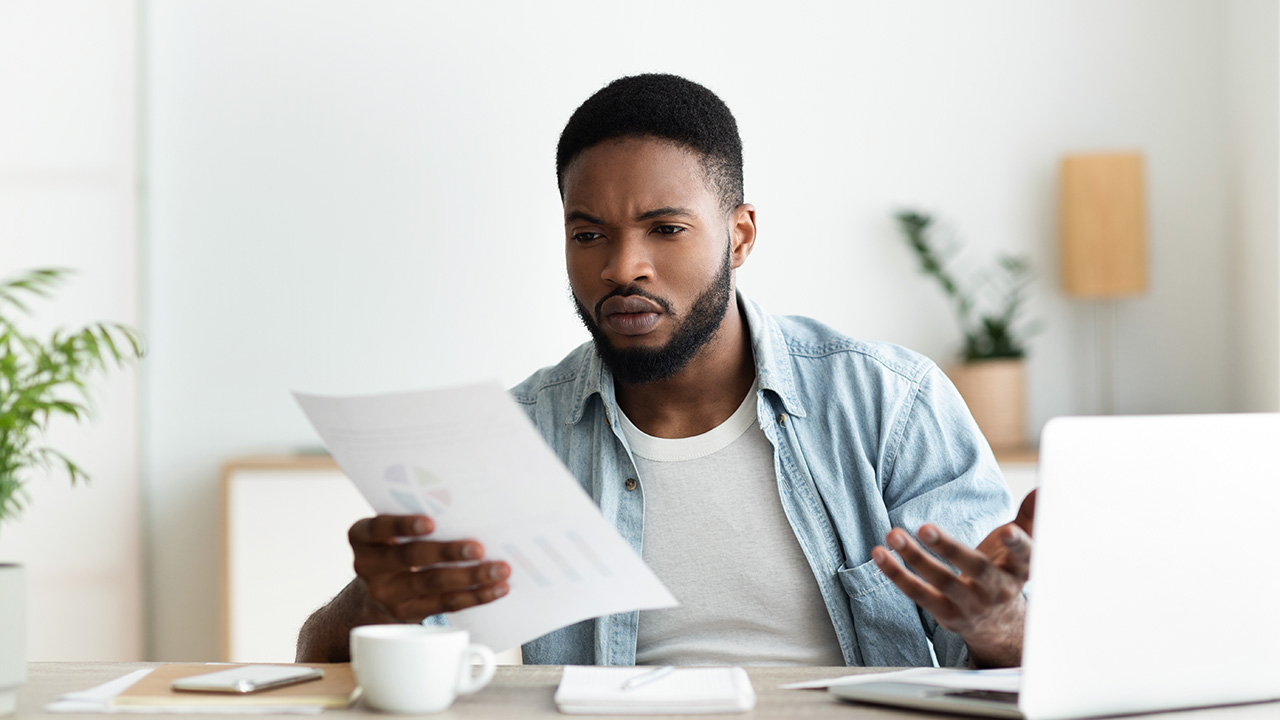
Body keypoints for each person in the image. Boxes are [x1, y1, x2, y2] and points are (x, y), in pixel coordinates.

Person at [297, 74, 1035, 668]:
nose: (623, 268)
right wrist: (376, 601)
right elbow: (315, 656)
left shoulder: (887, 403)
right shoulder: (520, 434)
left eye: (666, 229)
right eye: (589, 234)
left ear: (739, 236)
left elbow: (1022, 649)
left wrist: (1002, 625)